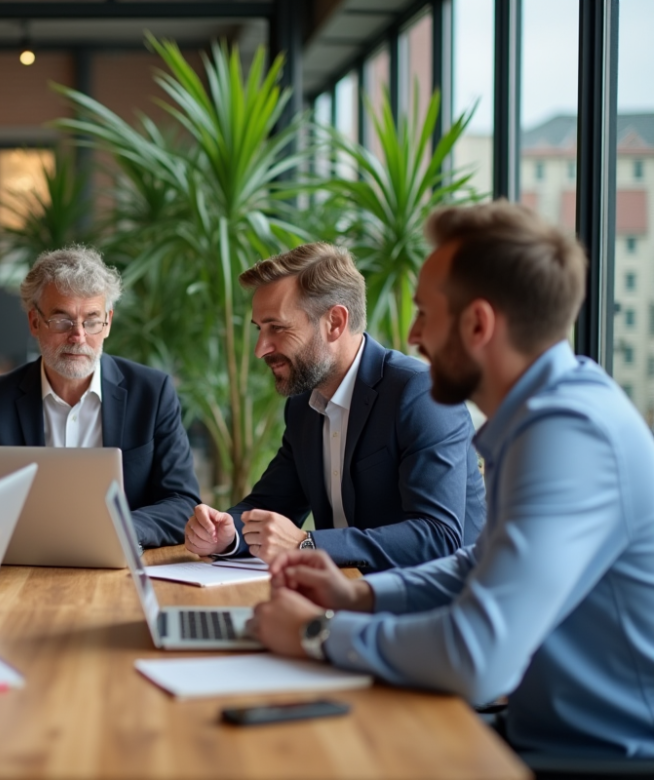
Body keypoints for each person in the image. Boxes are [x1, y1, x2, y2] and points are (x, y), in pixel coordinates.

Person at [251, 202, 654, 758]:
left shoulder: (569, 435)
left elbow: (477, 657)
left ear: (478, 324)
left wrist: (316, 632)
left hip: (593, 758)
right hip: (542, 734)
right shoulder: (546, 415)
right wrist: (358, 594)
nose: (413, 336)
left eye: (423, 313)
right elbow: (475, 564)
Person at [184, 243, 485, 571]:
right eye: (260, 330)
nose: (260, 349)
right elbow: (272, 503)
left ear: (335, 323)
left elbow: (438, 536)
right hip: (347, 597)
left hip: (434, 609)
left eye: (278, 328)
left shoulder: (419, 393)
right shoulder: (303, 407)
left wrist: (306, 544)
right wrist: (228, 534)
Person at [0, 246, 200, 548]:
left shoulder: (152, 394)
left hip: (121, 569)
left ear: (108, 322)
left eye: (91, 321)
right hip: (23, 572)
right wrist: (36, 532)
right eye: (62, 321)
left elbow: (182, 503)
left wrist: (121, 529)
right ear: (34, 322)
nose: (78, 336)